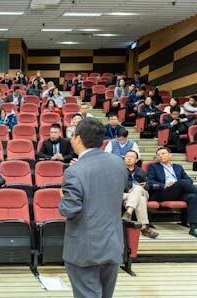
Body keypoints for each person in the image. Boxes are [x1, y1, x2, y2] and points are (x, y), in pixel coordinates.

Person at [59, 117, 127, 298]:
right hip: (113, 244)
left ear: (78, 138)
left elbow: (69, 210)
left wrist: (62, 197)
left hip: (85, 250)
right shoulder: (119, 163)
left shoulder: (74, 171)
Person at [147, 147, 197, 239]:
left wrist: (179, 184)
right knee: (182, 182)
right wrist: (164, 184)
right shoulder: (154, 167)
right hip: (163, 192)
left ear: (170, 155)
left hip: (179, 192)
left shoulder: (178, 167)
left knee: (192, 196)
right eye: (158, 155)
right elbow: (150, 181)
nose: (160, 156)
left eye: (163, 153)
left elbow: (189, 180)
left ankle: (194, 227)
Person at [122, 150, 158, 238]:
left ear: (136, 160)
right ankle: (144, 227)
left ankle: (128, 212)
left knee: (138, 188)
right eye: (127, 156)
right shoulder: (119, 170)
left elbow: (148, 184)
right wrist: (129, 189)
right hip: (126, 194)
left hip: (141, 192)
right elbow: (116, 183)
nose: (129, 158)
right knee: (140, 198)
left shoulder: (141, 171)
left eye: (132, 157)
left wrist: (145, 185)